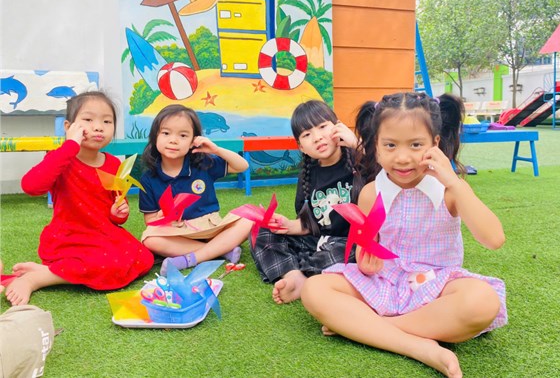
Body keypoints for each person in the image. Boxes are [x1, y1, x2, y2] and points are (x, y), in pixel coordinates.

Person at [301, 92, 507, 378]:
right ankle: (419, 347)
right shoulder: (371, 193)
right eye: (390, 145)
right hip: (385, 282)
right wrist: (365, 261)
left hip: (436, 286)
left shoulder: (450, 191)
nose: (402, 157)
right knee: (314, 289)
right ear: (376, 145)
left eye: (416, 144)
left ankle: (370, 328)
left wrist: (455, 184)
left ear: (435, 144)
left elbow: (494, 239)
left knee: (482, 301)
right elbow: (367, 247)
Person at [4, 91, 154, 306]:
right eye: (88, 119)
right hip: (69, 237)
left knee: (144, 258)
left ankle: (50, 271)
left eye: (107, 121)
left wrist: (118, 213)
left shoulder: (114, 164)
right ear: (69, 127)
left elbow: (116, 213)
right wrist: (70, 146)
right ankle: (36, 279)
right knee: (106, 265)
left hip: (103, 234)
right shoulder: (59, 158)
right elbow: (31, 186)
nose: (98, 127)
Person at [248, 100, 364, 304]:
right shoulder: (307, 176)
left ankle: (299, 271)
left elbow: (387, 173)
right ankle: (294, 275)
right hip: (316, 243)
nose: (317, 137)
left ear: (338, 127)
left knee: (350, 252)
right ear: (301, 147)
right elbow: (309, 225)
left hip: (350, 245)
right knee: (261, 230)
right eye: (307, 134)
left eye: (322, 127)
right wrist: (287, 225)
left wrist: (357, 145)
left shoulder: (360, 162)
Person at [139, 104, 253, 276]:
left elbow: (242, 166)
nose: (173, 140)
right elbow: (150, 221)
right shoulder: (149, 178)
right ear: (155, 136)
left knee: (250, 218)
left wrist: (216, 150)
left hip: (211, 228)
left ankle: (191, 259)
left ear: (194, 140)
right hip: (178, 233)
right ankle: (222, 251)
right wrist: (161, 217)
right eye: (166, 133)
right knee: (150, 239)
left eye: (183, 135)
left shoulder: (203, 163)